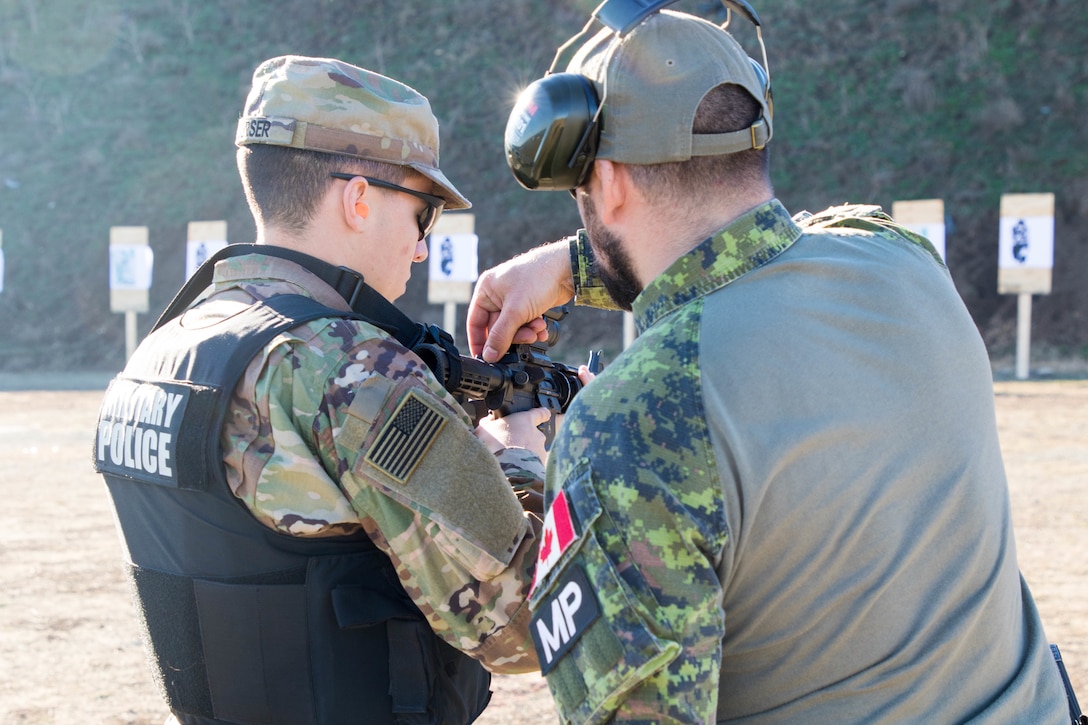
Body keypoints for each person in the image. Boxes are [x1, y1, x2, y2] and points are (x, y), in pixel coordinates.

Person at [467, 7, 1073, 724]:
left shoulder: (627, 422)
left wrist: (533, 468)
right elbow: (767, 242)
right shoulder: (902, 255)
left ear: (608, 179)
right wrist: (572, 264)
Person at [93, 55, 551, 725]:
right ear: (358, 199)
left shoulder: (162, 347)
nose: (422, 248)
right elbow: (521, 622)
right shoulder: (350, 369)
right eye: (423, 214)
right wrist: (520, 456)